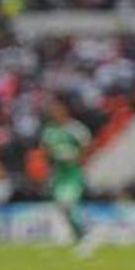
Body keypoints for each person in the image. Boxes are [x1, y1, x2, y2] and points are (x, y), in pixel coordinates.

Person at [40, 98, 95, 255]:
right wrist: (53, 158)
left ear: (65, 111)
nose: (55, 112)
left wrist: (77, 157)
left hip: (73, 174)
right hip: (59, 174)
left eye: (58, 109)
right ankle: (79, 237)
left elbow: (88, 146)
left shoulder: (76, 129)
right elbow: (45, 150)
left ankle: (85, 236)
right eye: (53, 110)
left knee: (68, 203)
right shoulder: (49, 131)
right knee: (62, 206)